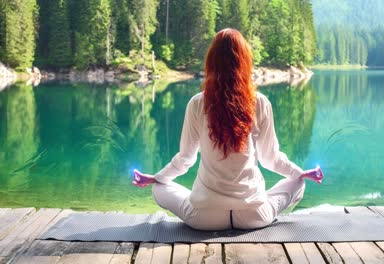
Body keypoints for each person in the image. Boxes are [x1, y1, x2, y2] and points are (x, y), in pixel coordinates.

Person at [132, 28, 323, 231]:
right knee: (298, 183)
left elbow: (186, 159)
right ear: (245, 62)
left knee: (159, 189)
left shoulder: (197, 103)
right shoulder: (260, 102)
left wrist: (157, 177)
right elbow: (270, 158)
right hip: (254, 215)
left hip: (204, 217)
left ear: (211, 61)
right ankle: (275, 194)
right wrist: (300, 173)